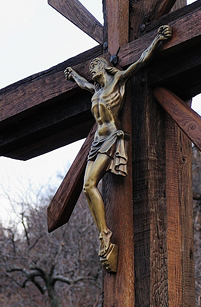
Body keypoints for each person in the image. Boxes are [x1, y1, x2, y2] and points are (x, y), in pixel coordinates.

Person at [64, 24, 172, 272]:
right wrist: (73, 75)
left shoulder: (117, 81)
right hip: (96, 142)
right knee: (86, 188)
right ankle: (102, 233)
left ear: (103, 67)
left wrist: (157, 39)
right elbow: (82, 84)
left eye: (94, 67)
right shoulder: (95, 90)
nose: (91, 71)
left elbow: (141, 62)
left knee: (90, 184)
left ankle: (105, 234)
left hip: (112, 137)